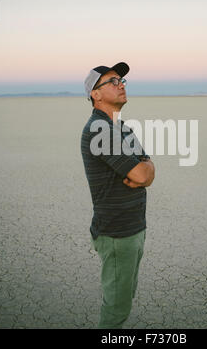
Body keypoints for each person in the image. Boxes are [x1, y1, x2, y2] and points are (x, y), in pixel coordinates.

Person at [81, 62, 155, 329]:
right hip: (117, 232)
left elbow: (147, 169)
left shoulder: (121, 127)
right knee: (116, 308)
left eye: (122, 81)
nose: (121, 84)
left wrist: (143, 169)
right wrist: (143, 170)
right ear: (95, 94)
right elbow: (143, 175)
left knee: (124, 297)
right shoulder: (99, 130)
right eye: (112, 82)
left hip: (133, 227)